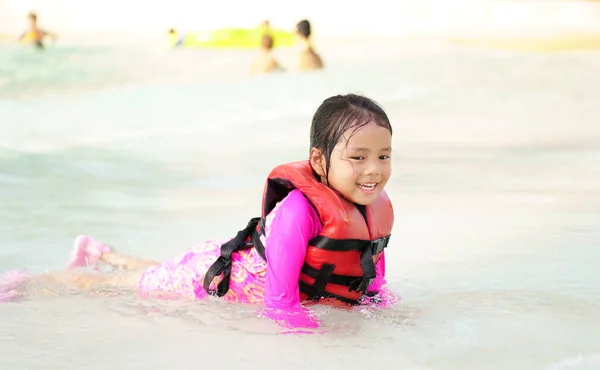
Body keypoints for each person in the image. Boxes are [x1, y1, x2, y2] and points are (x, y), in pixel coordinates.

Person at [0, 94, 399, 329]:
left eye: (383, 156)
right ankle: (24, 283)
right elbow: (279, 303)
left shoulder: (372, 209)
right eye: (358, 157)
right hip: (212, 278)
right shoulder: (300, 210)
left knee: (152, 273)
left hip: (215, 264)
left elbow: (370, 278)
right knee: (117, 286)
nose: (373, 169)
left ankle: (103, 253)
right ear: (318, 159)